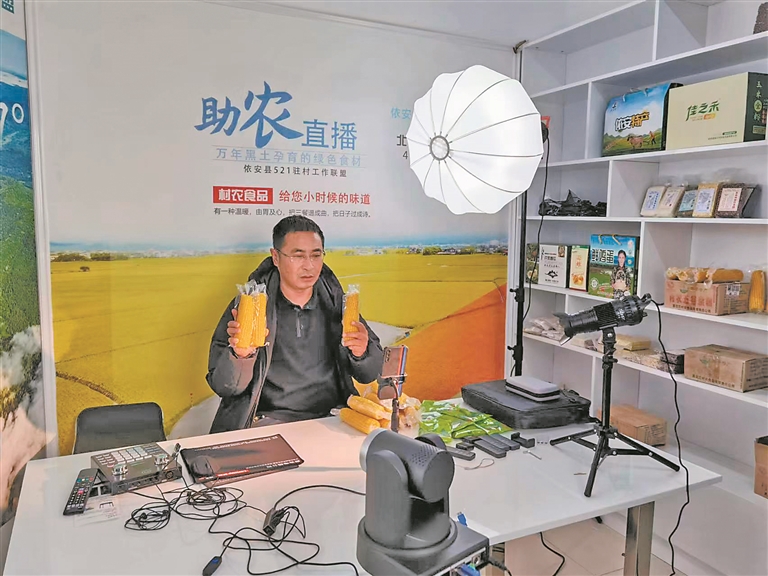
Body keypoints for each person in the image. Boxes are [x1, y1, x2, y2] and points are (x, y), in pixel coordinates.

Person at [206, 216, 384, 433]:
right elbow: (225, 387)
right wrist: (241, 356)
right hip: (268, 420)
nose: (309, 266)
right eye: (298, 256)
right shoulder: (249, 306)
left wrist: (362, 353)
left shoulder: (337, 302)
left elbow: (370, 373)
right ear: (276, 257)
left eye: (316, 255)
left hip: (333, 415)